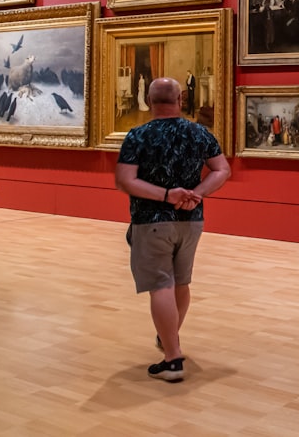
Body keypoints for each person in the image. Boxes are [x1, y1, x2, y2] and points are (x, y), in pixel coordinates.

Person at [115, 77, 231, 382]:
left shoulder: (138, 135)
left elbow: (126, 180)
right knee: (181, 283)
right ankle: (169, 337)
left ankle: (172, 359)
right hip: (191, 220)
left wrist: (167, 195)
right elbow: (222, 170)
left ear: (151, 101)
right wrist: (197, 194)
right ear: (180, 99)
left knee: (161, 286)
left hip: (152, 221)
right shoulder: (199, 133)